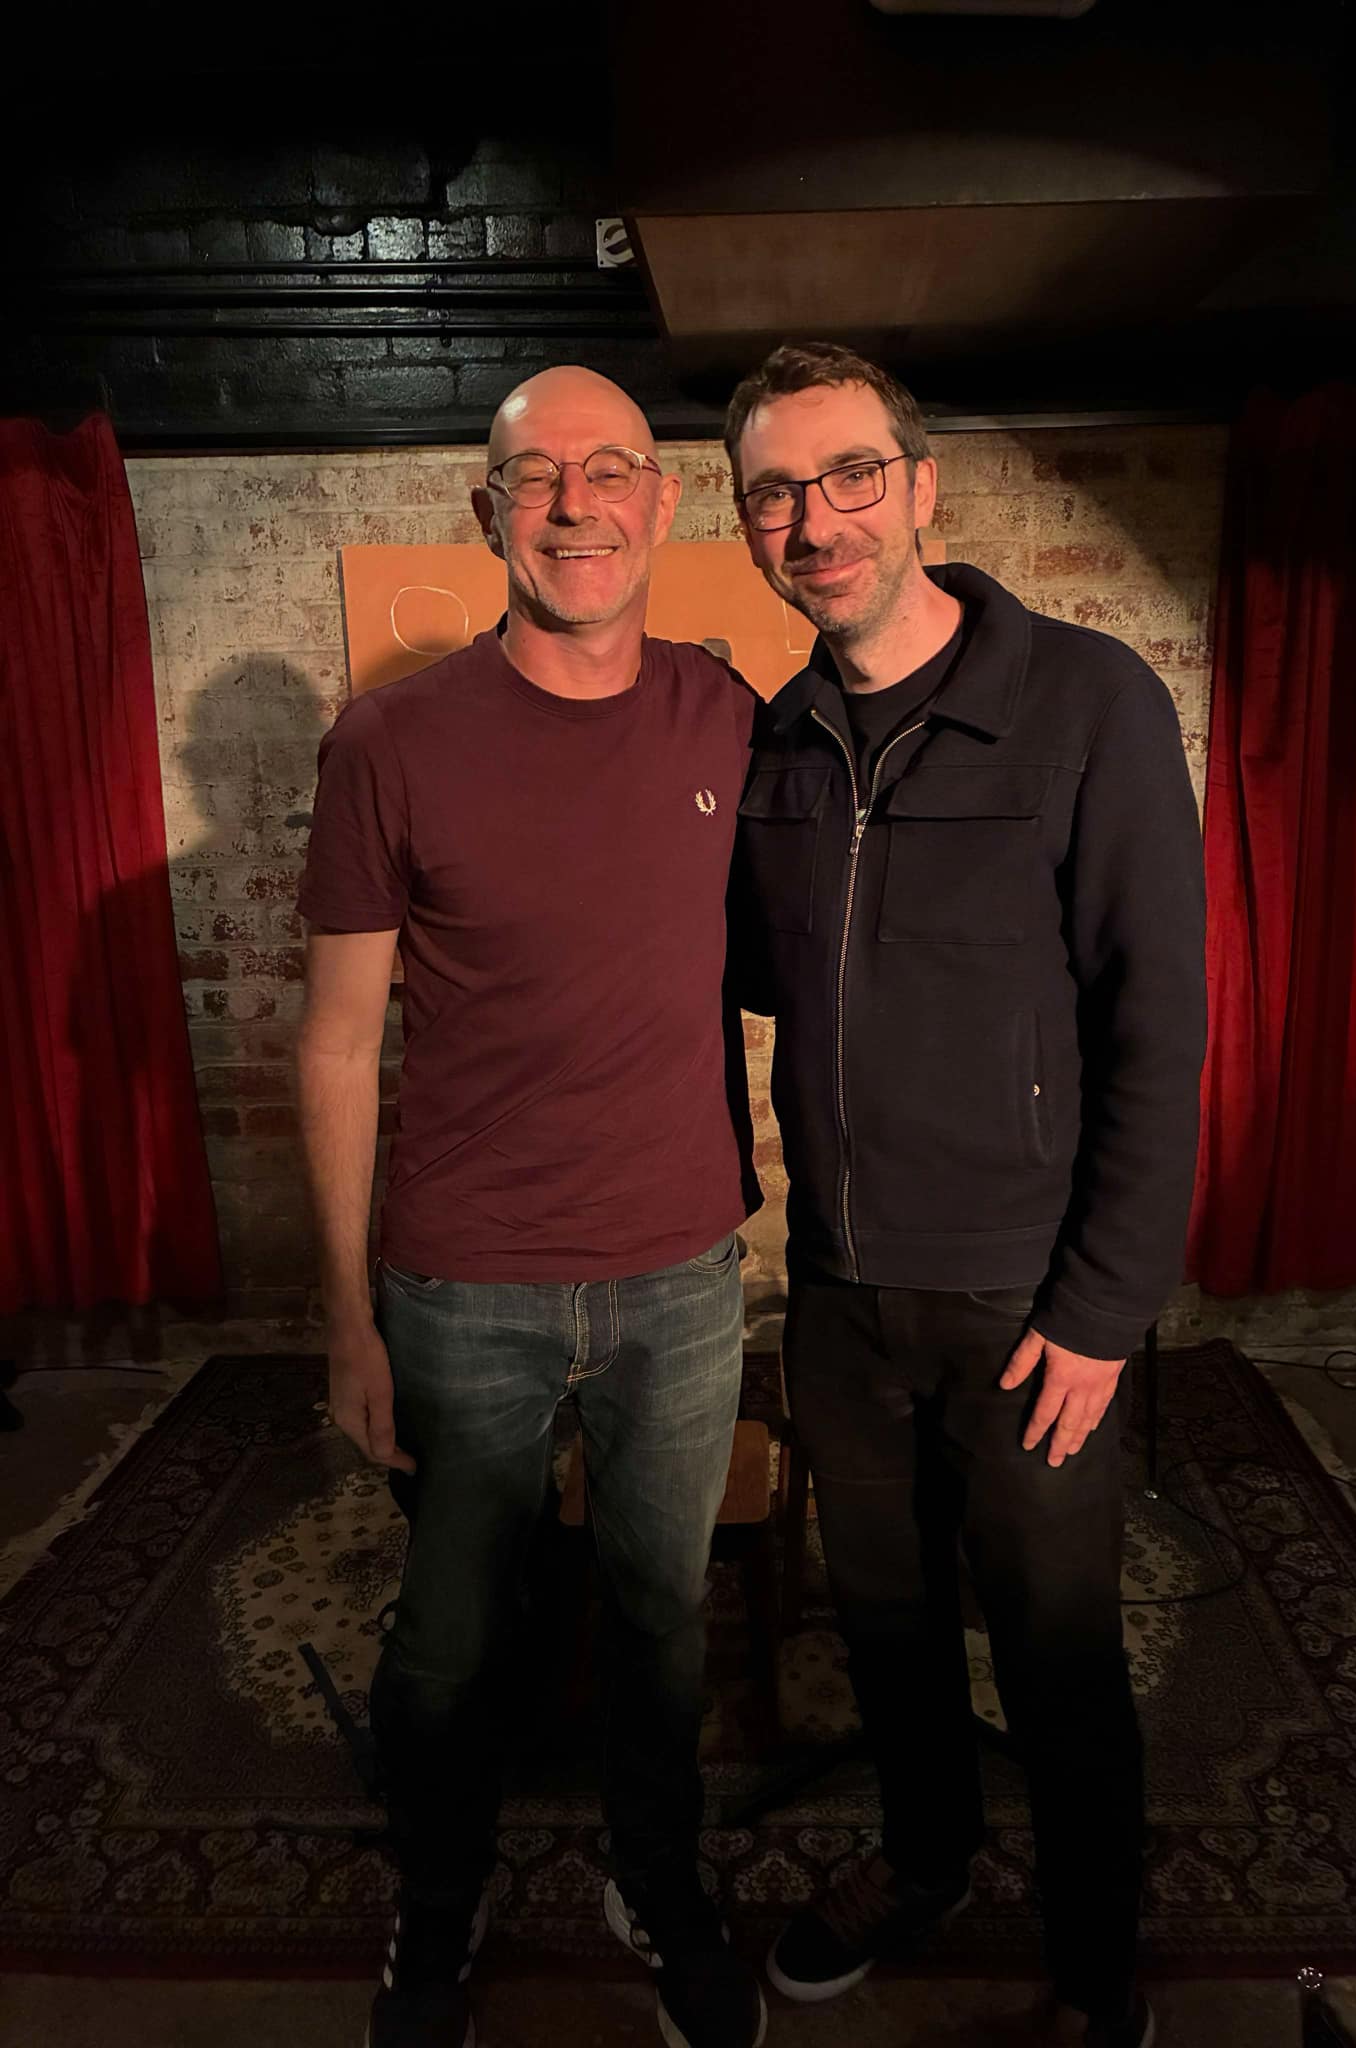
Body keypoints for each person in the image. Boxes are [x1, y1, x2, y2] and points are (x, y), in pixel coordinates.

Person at [724, 342, 1207, 2048]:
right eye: (774, 494)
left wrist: (1105, 1311)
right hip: (842, 1295)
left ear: (922, 487)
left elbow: (1159, 1022)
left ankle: (1092, 1963)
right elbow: (743, 976)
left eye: (851, 475)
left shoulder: (1086, 700)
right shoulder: (775, 740)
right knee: (889, 1631)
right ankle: (927, 1856)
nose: (816, 521)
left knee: (1060, 1657)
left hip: (1027, 1302)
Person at [296, 366, 767, 2048]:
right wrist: (347, 1318)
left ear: (662, 503)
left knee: (660, 1626)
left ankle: (658, 1883)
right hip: (464, 1286)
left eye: (611, 470)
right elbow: (339, 1042)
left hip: (683, 1278)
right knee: (447, 1644)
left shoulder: (724, 715)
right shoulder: (391, 743)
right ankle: (441, 1903)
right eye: (540, 476)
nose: (578, 505)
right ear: (489, 509)